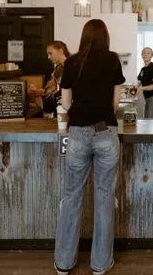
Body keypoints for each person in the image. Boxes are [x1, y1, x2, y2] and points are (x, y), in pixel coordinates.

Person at [54, 19, 125, 275]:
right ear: (105, 37)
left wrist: (80, 115)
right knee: (105, 198)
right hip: (105, 131)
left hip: (77, 135)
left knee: (72, 196)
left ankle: (63, 263)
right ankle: (100, 264)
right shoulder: (113, 60)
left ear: (83, 37)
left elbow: (65, 103)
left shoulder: (71, 63)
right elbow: (116, 104)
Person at [39, 41, 71, 118]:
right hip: (59, 110)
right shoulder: (57, 70)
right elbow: (55, 90)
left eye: (50, 53)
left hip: (70, 111)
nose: (48, 57)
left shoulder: (73, 67)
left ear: (60, 51)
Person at [137, 47, 153, 118]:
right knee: (147, 122)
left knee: (151, 124)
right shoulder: (143, 69)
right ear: (141, 55)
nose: (145, 54)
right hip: (148, 98)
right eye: (143, 53)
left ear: (152, 55)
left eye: (148, 53)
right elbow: (139, 82)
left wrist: (142, 88)